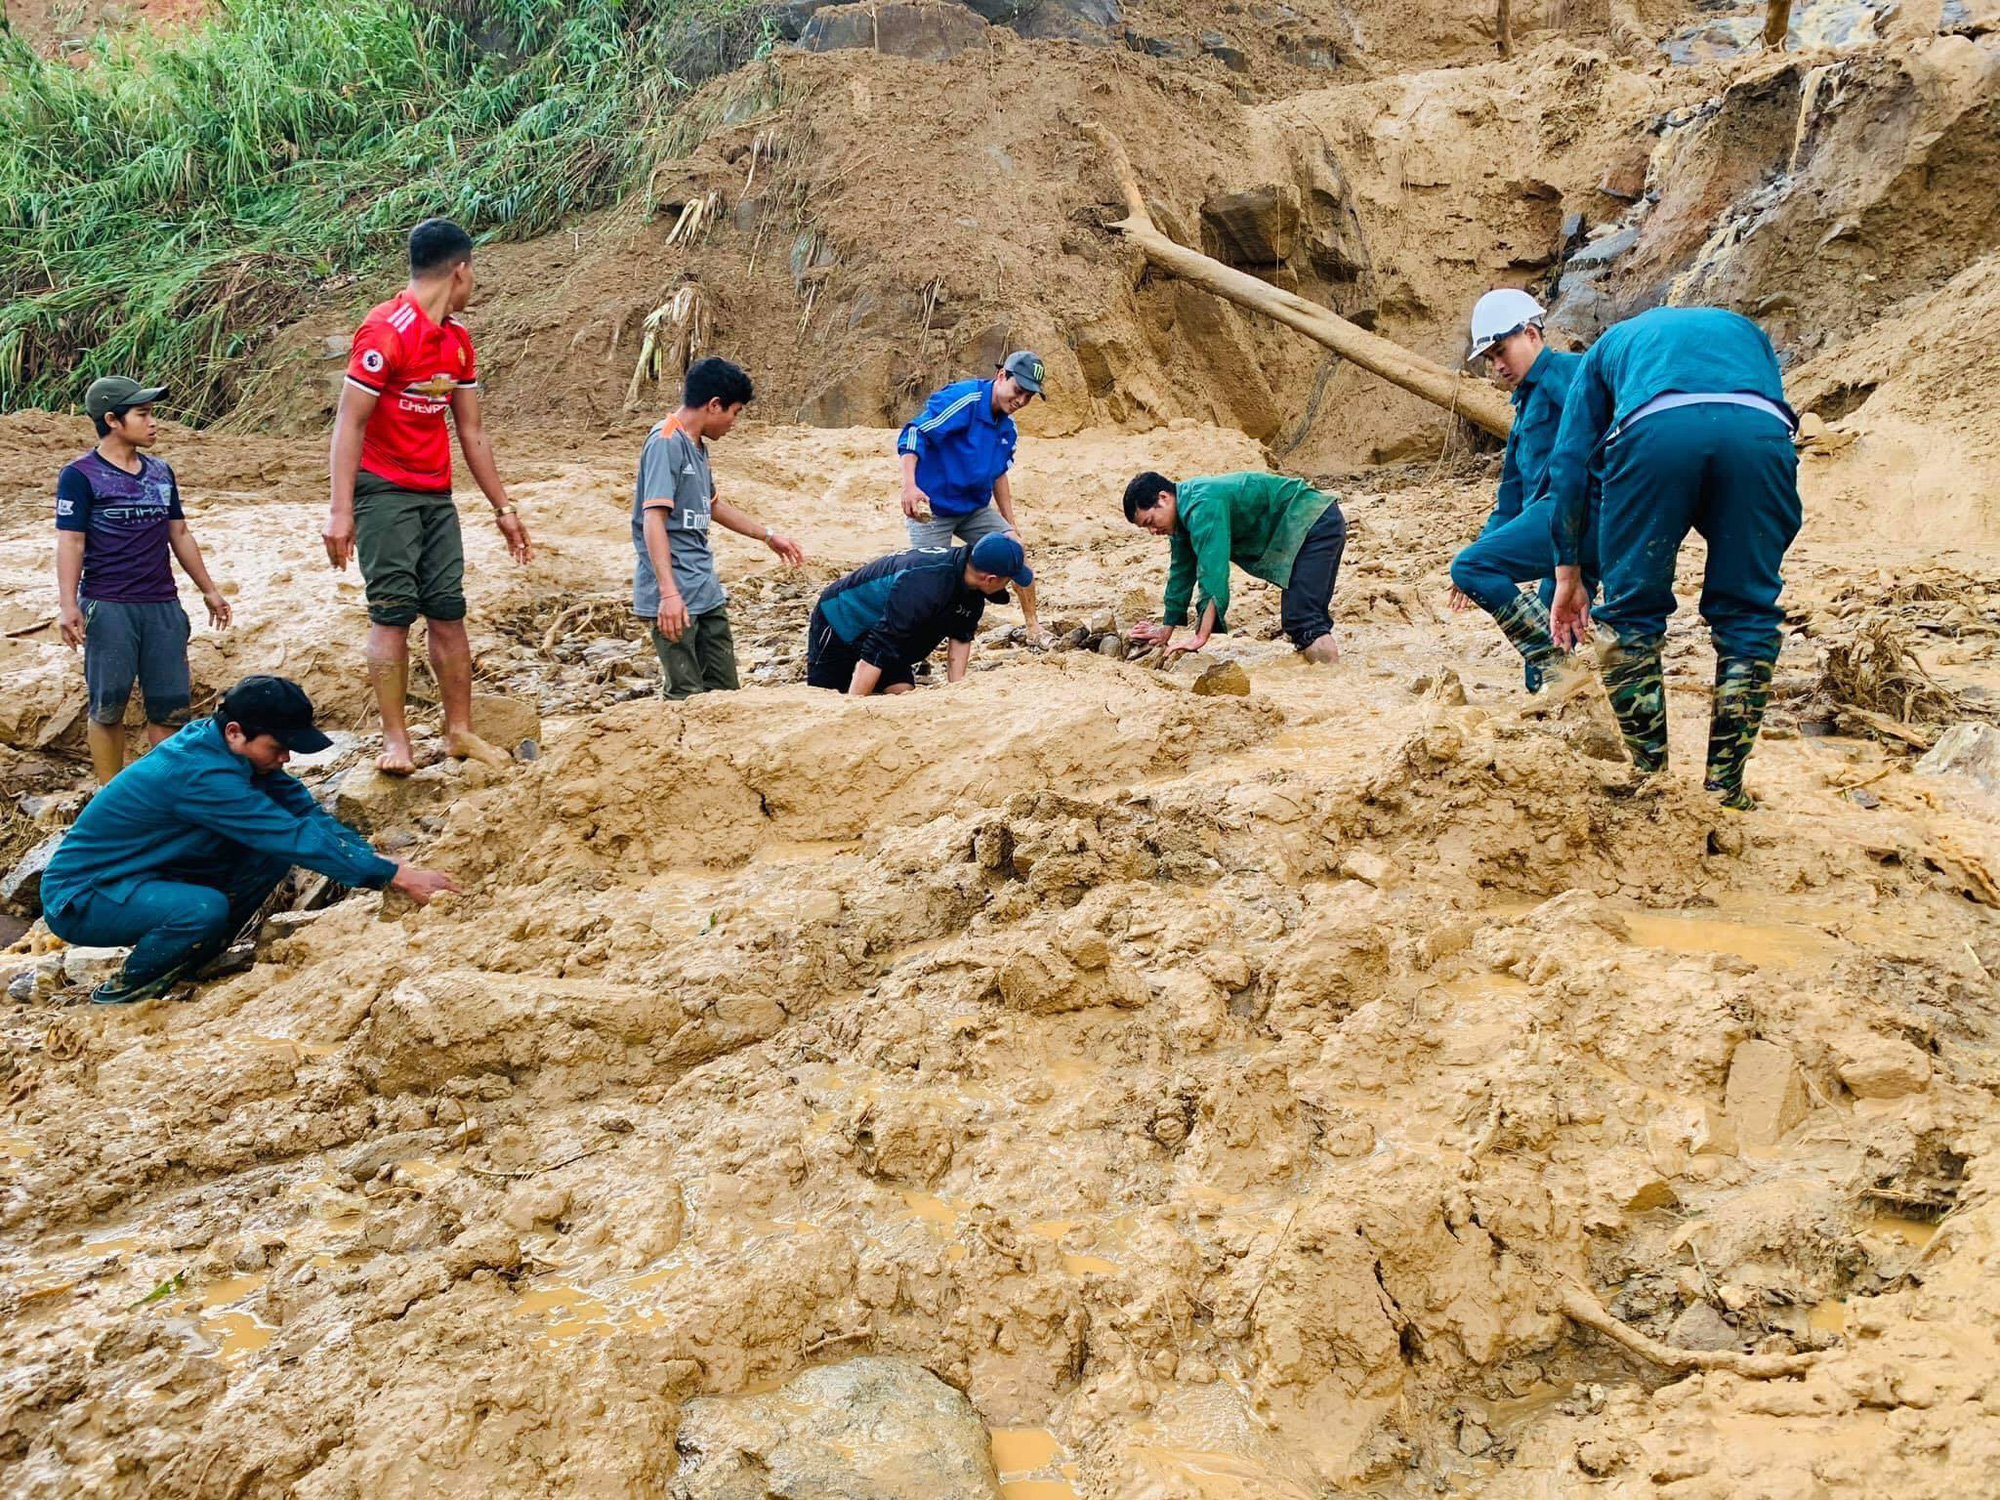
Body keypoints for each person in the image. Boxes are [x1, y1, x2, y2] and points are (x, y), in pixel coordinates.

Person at [39, 676, 458, 1006]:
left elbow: (305, 815)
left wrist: (376, 861)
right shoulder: (201, 774)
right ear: (237, 732)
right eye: (278, 748)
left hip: (144, 873)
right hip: (83, 896)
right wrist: (391, 876)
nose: (286, 759)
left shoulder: (231, 749)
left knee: (264, 856)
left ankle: (194, 960)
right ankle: (125, 993)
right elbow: (289, 835)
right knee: (203, 909)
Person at [1544, 306, 1801, 810]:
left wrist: (1568, 571)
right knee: (1749, 615)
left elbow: (1570, 463)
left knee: (1631, 616)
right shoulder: (1745, 331)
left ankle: (1651, 785)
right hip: (1761, 434)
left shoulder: (1604, 350)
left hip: (1654, 433)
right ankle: (1726, 791)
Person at [323, 217, 533, 776]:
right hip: (383, 491)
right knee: (391, 614)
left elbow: (472, 432)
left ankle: (458, 730)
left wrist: (503, 508)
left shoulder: (458, 342)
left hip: (435, 493)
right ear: (460, 270)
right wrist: (341, 510)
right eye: (474, 272)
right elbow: (349, 422)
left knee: (448, 611)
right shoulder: (385, 331)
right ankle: (397, 742)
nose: (474, 283)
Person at [56, 376, 232, 785]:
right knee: (108, 705)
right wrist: (68, 604)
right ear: (113, 420)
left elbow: (180, 534)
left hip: (162, 605)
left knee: (170, 708)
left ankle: (166, 793)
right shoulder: (80, 475)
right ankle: (108, 795)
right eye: (144, 415)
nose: (154, 423)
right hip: (109, 604)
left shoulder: (160, 472)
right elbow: (72, 541)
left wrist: (209, 590)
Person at [631, 356, 805, 699]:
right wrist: (667, 594)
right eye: (735, 412)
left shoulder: (697, 446)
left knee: (725, 694)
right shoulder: (666, 442)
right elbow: (653, 519)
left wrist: (768, 536)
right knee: (687, 696)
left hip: (705, 591)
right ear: (714, 405)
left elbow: (712, 505)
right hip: (675, 596)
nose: (734, 423)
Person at [1446, 290, 1594, 692]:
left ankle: (1558, 670)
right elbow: (1510, 498)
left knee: (1471, 566)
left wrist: (1476, 560)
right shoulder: (1525, 406)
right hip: (1557, 534)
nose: (1497, 365)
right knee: (1544, 663)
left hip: (1579, 518)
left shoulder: (1571, 373)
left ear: (1531, 333)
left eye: (1501, 351)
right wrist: (1485, 543)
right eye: (1490, 359)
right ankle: (1560, 712)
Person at [897, 350, 1048, 645]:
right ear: (1002, 376)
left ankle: (1034, 627)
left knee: (1015, 549)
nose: (1020, 401)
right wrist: (909, 486)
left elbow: (998, 473)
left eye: (1028, 397)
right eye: (1018, 391)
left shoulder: (1008, 428)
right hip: (934, 508)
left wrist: (1010, 524)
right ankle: (911, 648)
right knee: (929, 580)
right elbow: (915, 433)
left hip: (974, 508)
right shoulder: (965, 400)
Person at [1122, 470, 1347, 664]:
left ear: (1164, 497)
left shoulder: (1202, 505)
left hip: (1314, 520)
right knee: (1302, 620)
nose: (1152, 532)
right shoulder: (1182, 519)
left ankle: (1334, 687)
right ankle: (1322, 677)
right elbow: (1180, 574)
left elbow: (1213, 571)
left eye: (1150, 522)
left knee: (1304, 620)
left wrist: (1200, 637)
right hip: (1305, 526)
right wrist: (1166, 629)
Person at [806, 534, 1031, 695]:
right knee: (829, 698)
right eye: (1008, 580)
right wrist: (854, 708)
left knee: (903, 694)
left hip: (893, 631)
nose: (1009, 585)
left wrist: (957, 694)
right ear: (990, 579)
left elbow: (961, 638)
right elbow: (879, 647)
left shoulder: (971, 586)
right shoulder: (924, 585)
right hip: (842, 619)